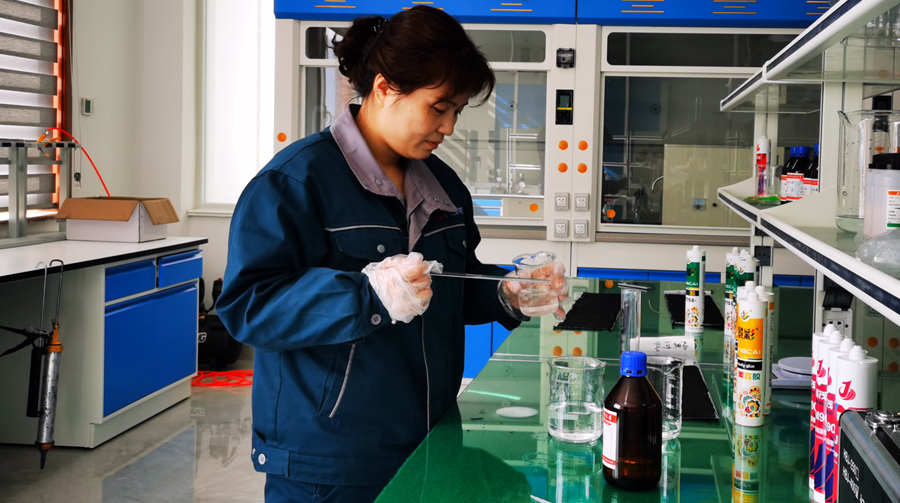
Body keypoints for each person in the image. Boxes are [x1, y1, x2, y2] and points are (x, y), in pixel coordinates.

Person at [216, 6, 568, 502]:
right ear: (385, 88)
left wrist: (506, 293)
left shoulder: (444, 185)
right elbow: (248, 306)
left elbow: (451, 285)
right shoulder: (295, 182)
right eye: (439, 107)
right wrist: (365, 296)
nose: (449, 127)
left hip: (429, 440)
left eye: (457, 111)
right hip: (331, 460)